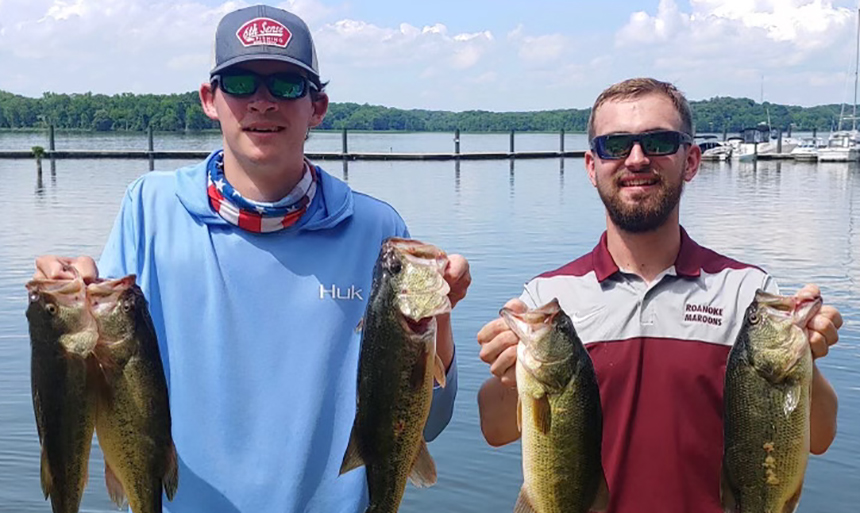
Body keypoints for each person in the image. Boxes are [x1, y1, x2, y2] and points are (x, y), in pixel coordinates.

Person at [33, 5, 470, 512]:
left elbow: (429, 421)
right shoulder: (147, 210)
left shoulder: (382, 235)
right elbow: (98, 390)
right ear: (209, 100)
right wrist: (66, 318)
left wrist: (439, 316)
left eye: (286, 86)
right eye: (241, 82)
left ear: (318, 107)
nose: (262, 102)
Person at [476, 77, 842, 513]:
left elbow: (819, 437)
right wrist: (505, 372)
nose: (636, 159)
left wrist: (805, 358)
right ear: (592, 167)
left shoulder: (748, 291)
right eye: (615, 145)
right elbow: (496, 430)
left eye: (658, 141)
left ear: (690, 161)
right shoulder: (549, 297)